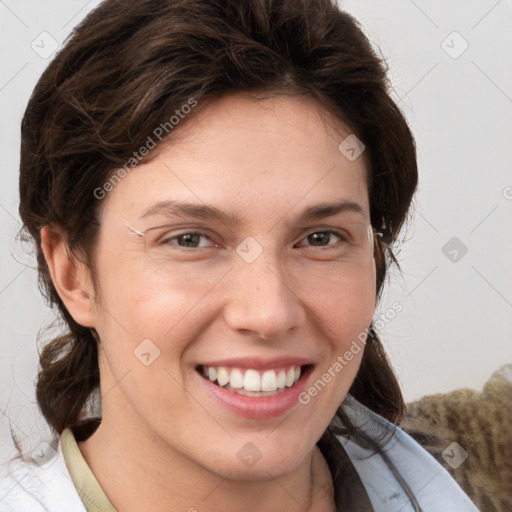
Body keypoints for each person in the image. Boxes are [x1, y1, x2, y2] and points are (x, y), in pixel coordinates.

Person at [0, 0, 479, 510]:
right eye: (189, 239)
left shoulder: (484, 475)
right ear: (73, 273)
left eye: (320, 238)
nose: (269, 313)